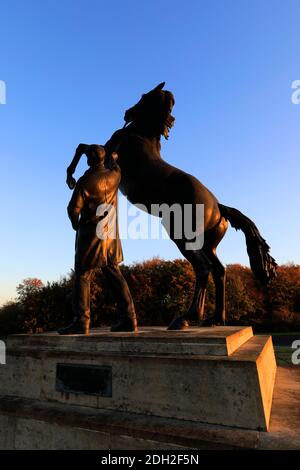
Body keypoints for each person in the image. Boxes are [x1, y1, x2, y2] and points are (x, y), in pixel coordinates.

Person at [58, 144, 137, 335]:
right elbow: (116, 164)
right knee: (114, 273)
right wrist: (114, 157)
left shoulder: (85, 182)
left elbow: (73, 210)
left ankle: (81, 321)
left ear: (88, 161)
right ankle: (129, 319)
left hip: (90, 234)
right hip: (110, 235)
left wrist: (75, 224)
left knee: (83, 275)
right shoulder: (114, 176)